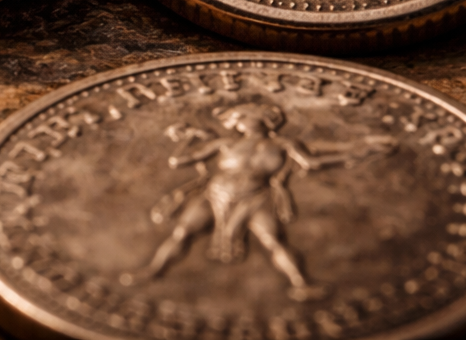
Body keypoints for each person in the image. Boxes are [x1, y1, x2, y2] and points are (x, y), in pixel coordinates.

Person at [121, 103, 395, 300]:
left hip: (256, 197)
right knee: (183, 231)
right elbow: (179, 161)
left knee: (273, 240)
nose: (235, 122)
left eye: (239, 117)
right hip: (215, 193)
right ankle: (152, 271)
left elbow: (312, 162)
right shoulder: (224, 143)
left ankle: (302, 283)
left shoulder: (284, 144)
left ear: (257, 119)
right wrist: (188, 139)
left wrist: (359, 153)